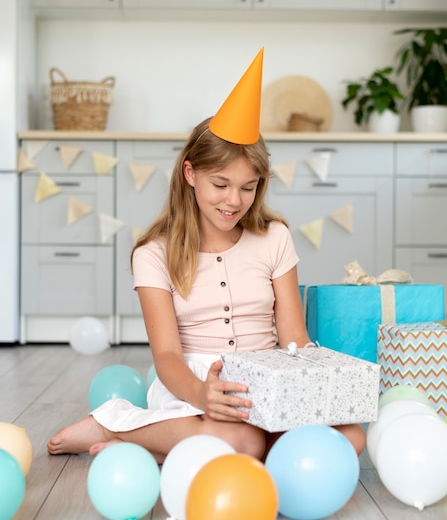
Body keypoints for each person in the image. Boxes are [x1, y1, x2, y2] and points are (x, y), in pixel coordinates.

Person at [47, 50, 366, 462]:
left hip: (267, 377)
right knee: (245, 442)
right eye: (221, 184)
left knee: (352, 436)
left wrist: (319, 390)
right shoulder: (154, 253)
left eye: (248, 187)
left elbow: (294, 339)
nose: (234, 201)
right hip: (194, 383)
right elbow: (166, 356)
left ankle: (156, 444)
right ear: (190, 174)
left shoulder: (275, 237)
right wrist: (202, 393)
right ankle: (119, 424)